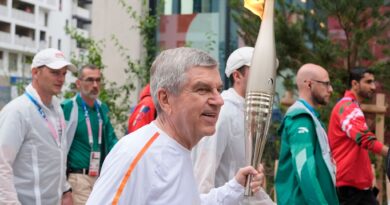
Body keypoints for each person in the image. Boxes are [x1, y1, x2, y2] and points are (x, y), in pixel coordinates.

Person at [86, 47, 264, 204]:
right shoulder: (135, 153)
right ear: (165, 99)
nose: (218, 100)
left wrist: (235, 187)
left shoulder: (181, 148)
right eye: (202, 89)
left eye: (218, 89)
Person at [192, 47, 274, 204]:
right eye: (259, 69)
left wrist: (258, 173)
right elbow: (204, 172)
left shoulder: (251, 109)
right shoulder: (223, 110)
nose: (266, 76)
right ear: (237, 75)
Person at [0, 48, 76, 204]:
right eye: (55, 72)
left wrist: (65, 189)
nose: (61, 79)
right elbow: (2, 164)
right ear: (35, 73)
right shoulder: (18, 111)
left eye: (63, 73)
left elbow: (56, 156)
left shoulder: (57, 110)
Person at [275, 63, 339, 205]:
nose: (331, 89)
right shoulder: (300, 120)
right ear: (309, 84)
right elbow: (304, 170)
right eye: (326, 84)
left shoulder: (310, 118)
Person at [328, 67, 389, 205]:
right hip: (349, 189)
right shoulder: (347, 107)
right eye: (368, 82)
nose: (373, 87)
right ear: (355, 84)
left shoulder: (351, 106)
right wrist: (388, 152)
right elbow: (364, 138)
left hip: (357, 188)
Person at [61, 64, 118, 205]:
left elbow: (111, 140)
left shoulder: (102, 108)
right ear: (78, 83)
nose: (95, 85)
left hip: (100, 176)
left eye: (98, 80)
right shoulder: (68, 107)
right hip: (77, 177)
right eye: (90, 80)